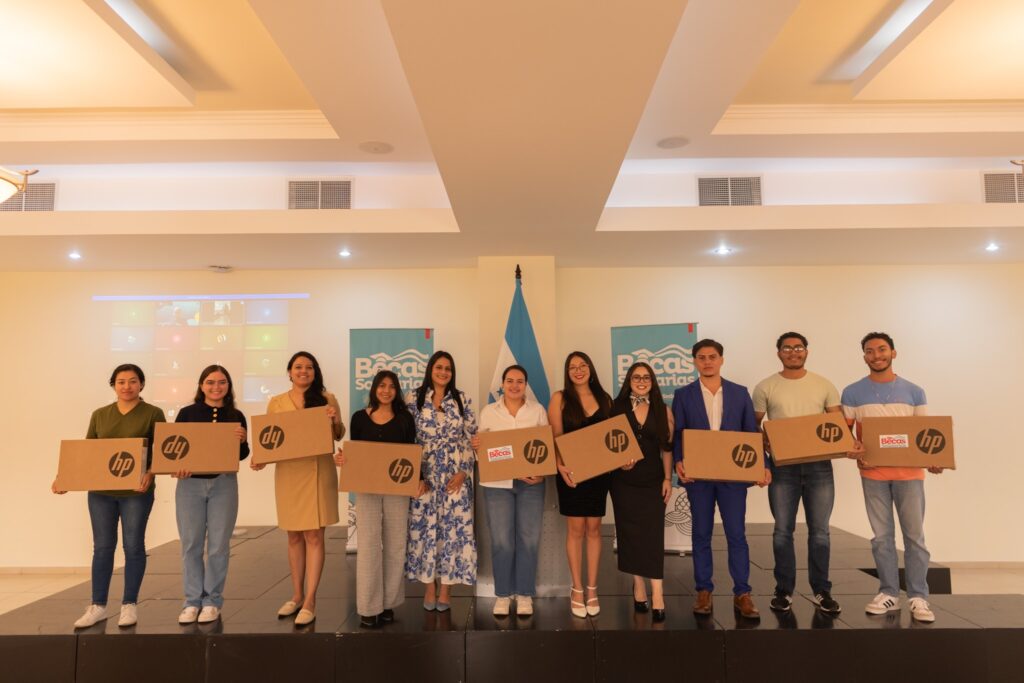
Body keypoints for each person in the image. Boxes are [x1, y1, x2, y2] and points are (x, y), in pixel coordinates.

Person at [842, 332, 944, 623]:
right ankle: (888, 592)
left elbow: (923, 434)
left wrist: (933, 459)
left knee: (915, 538)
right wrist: (852, 448)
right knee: (881, 538)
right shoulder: (852, 392)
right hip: (873, 473)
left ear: (893, 353)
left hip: (910, 475)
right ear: (864, 356)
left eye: (882, 349)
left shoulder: (914, 391)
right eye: (870, 351)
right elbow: (844, 435)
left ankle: (918, 596)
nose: (876, 355)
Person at [52, 364, 165, 629]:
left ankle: (129, 605)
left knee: (133, 546)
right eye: (121, 381)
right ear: (113, 385)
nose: (127, 386)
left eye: (133, 381)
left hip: (136, 492)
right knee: (102, 547)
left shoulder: (153, 413)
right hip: (101, 493)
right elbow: (87, 453)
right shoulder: (100, 415)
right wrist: (64, 478)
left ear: (141, 384)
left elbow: (162, 450)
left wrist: (150, 473)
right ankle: (98, 606)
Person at [672, 339, 769, 619]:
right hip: (699, 476)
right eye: (701, 357)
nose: (707, 362)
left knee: (736, 534)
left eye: (712, 357)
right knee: (701, 533)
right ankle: (704, 590)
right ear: (694, 361)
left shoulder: (739, 393)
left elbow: (751, 433)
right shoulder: (683, 395)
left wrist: (762, 465)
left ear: (721, 360)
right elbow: (678, 434)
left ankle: (743, 593)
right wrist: (679, 461)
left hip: (732, 477)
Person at [753, 332, 843, 615]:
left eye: (798, 347)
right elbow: (753, 426)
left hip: (819, 467)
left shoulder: (823, 384)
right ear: (778, 353)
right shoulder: (766, 386)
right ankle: (783, 590)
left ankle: (821, 590)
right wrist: (764, 440)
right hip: (783, 468)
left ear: (806, 351)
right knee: (782, 531)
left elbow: (837, 424)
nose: (793, 351)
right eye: (787, 348)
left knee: (820, 532)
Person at [251, 351, 344, 626]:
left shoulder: (327, 398)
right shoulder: (276, 402)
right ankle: (297, 594)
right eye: (298, 367)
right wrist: (260, 459)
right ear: (289, 372)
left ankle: (311, 599)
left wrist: (334, 420)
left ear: (315, 372)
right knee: (293, 536)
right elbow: (270, 439)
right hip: (289, 473)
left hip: (318, 471)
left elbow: (339, 434)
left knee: (314, 535)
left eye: (309, 367)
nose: (304, 371)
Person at [334, 370, 420, 628]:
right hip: (367, 489)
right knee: (368, 546)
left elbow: (412, 451)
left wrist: (417, 480)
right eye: (382, 385)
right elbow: (356, 452)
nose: (386, 391)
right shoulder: (359, 418)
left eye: (392, 386)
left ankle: (388, 603)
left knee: (395, 546)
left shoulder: (405, 418)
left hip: (397, 489)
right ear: (374, 388)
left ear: (397, 391)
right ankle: (369, 607)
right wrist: (344, 459)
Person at [172, 365, 249, 625]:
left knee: (218, 546)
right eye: (210, 382)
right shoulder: (187, 413)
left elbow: (242, 455)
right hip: (189, 486)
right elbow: (175, 448)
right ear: (201, 385)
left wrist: (242, 441)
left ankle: (212, 601)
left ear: (229, 386)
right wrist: (177, 466)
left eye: (222, 382)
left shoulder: (236, 415)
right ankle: (192, 601)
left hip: (223, 484)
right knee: (191, 544)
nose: (216, 387)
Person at [471, 365, 549, 617]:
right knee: (502, 541)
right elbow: (484, 452)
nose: (515, 385)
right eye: (510, 381)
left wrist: (541, 472)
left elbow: (545, 448)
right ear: (502, 384)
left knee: (529, 539)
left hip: (531, 485)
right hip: (497, 486)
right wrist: (477, 446)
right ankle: (503, 595)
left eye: (520, 381)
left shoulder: (537, 411)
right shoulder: (488, 412)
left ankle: (524, 594)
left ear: (525, 385)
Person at [405, 351, 478, 611]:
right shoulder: (413, 398)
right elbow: (406, 438)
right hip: (423, 478)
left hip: (454, 478)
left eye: (448, 368)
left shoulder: (462, 399)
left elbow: (472, 438)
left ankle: (446, 590)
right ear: (430, 369)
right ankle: (429, 587)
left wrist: (464, 471)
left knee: (452, 534)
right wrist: (415, 475)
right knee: (425, 532)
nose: (443, 372)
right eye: (439, 367)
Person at [549, 351, 612, 618]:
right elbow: (555, 436)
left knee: (594, 529)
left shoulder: (605, 399)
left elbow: (612, 438)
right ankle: (576, 588)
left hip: (599, 474)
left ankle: (592, 588)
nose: (578, 370)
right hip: (570, 472)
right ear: (567, 372)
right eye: (572, 367)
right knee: (576, 529)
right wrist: (559, 466)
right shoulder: (560, 398)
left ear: (590, 368)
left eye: (583, 365)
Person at [609, 362, 673, 622]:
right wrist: (618, 461)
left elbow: (667, 448)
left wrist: (668, 478)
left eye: (647, 377)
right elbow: (606, 444)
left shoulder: (663, 409)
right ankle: (638, 585)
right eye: (636, 377)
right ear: (629, 380)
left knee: (653, 534)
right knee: (630, 534)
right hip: (622, 482)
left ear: (653, 381)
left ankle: (657, 591)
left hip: (653, 480)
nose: (642, 381)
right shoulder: (615, 407)